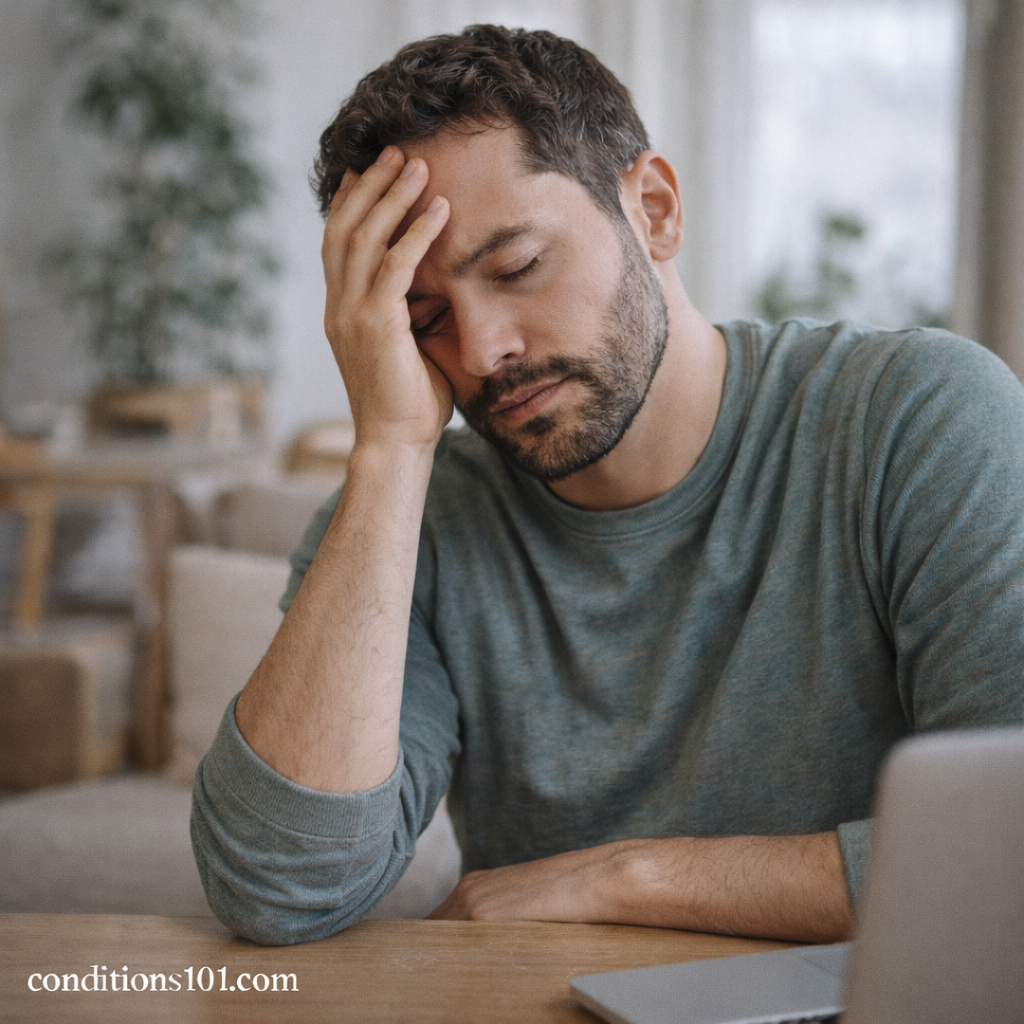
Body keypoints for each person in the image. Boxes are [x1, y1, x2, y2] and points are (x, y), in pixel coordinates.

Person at [191, 25, 1024, 947]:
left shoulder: (917, 420)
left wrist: (629, 874)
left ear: (655, 209)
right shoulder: (416, 520)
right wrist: (388, 447)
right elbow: (279, 890)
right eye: (425, 320)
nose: (482, 352)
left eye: (517, 268)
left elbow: (1008, 851)